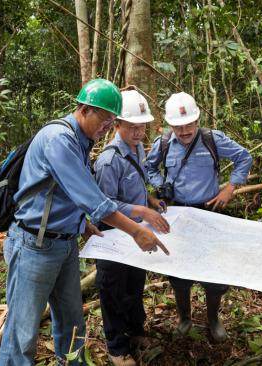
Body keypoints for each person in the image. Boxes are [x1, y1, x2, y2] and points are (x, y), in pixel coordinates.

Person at [0, 79, 169, 366]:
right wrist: (136, 230)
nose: (106, 126)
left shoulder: (81, 141)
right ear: (84, 109)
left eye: (111, 120)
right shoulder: (59, 139)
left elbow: (65, 193)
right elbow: (94, 199)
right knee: (22, 333)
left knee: (72, 324)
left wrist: (81, 224)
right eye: (103, 118)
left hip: (63, 246)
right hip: (34, 247)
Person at [145, 92, 252, 342]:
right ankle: (184, 319)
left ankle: (213, 319)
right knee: (179, 272)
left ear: (197, 120)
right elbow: (148, 168)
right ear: (170, 125)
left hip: (209, 213)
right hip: (177, 213)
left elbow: (244, 157)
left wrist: (230, 187)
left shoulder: (211, 139)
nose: (184, 131)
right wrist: (161, 185)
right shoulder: (162, 143)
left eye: (188, 125)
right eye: (178, 127)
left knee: (213, 271)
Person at [93, 89, 170, 366]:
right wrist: (141, 210)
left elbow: (135, 186)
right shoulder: (108, 161)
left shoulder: (137, 150)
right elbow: (104, 206)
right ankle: (117, 348)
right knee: (113, 290)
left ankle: (136, 332)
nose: (139, 133)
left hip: (137, 235)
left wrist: (150, 200)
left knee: (134, 286)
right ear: (117, 125)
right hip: (114, 236)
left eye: (142, 127)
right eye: (133, 127)